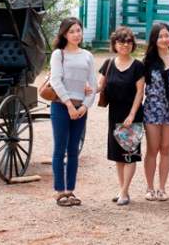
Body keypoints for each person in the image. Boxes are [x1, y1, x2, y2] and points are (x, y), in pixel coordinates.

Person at [49, 17, 97, 207]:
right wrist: (69, 105)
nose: (76, 34)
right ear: (64, 34)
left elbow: (93, 84)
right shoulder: (58, 54)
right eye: (72, 31)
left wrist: (84, 106)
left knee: (74, 150)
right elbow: (55, 80)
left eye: (78, 30)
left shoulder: (87, 56)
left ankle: (70, 190)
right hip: (61, 106)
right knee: (60, 148)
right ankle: (60, 191)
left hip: (81, 108)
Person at [97, 26, 145, 206]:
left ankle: (124, 192)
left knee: (129, 154)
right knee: (118, 155)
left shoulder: (138, 66)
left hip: (132, 114)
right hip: (115, 113)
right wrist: (85, 88)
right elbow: (100, 86)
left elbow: (140, 92)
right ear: (114, 44)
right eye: (121, 42)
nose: (125, 45)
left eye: (128, 42)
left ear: (133, 44)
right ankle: (122, 189)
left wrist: (132, 114)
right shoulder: (108, 64)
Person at [142, 23, 169, 201]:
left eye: (167, 35)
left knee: (166, 148)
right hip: (153, 109)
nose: (164, 39)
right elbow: (137, 87)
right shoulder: (147, 62)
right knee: (152, 148)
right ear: (154, 40)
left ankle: (162, 188)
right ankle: (150, 187)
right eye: (160, 36)